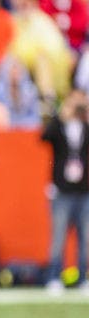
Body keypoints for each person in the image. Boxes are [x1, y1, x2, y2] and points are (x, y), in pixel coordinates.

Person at [40, 90, 89, 293]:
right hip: (62, 190)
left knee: (85, 237)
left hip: (84, 189)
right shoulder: (60, 126)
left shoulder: (86, 126)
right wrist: (62, 114)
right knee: (58, 237)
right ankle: (53, 276)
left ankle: (83, 276)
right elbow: (44, 136)